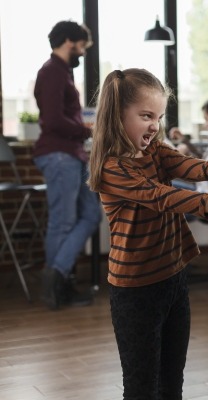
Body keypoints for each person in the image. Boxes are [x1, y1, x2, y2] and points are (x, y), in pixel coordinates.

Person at [87, 68, 208, 400]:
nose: (155, 124)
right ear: (119, 115)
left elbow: (185, 164)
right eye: (146, 115)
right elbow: (159, 197)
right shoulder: (112, 167)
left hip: (174, 277)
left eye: (159, 116)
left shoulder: (154, 148)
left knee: (172, 381)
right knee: (141, 387)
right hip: (135, 290)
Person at [33, 20, 103, 310]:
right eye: (82, 47)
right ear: (69, 42)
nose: (83, 53)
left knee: (91, 215)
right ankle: (57, 286)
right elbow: (52, 121)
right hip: (59, 155)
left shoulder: (62, 74)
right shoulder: (51, 73)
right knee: (62, 223)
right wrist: (87, 130)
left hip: (73, 155)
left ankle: (57, 274)